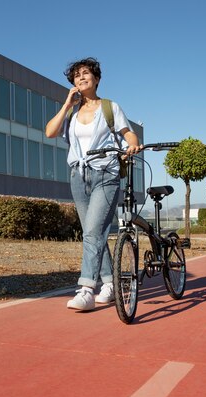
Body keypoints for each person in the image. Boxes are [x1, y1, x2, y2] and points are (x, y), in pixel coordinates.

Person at [45, 57, 142, 311]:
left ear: (97, 79)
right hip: (78, 176)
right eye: (77, 75)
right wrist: (67, 104)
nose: (81, 78)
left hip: (106, 175)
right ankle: (110, 284)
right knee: (94, 232)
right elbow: (50, 132)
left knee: (91, 232)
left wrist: (132, 143)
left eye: (86, 73)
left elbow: (127, 132)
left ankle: (86, 289)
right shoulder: (73, 113)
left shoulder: (110, 107)